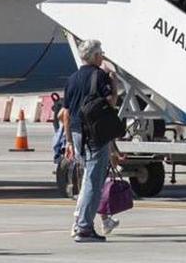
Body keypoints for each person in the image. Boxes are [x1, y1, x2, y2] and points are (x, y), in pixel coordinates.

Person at [61, 40, 118, 242]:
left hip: (76, 132)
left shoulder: (72, 78)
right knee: (93, 181)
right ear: (94, 56)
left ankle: (81, 222)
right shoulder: (99, 76)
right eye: (100, 53)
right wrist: (114, 81)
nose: (102, 56)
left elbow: (65, 113)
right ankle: (83, 227)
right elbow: (111, 102)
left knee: (88, 178)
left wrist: (68, 141)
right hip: (94, 133)